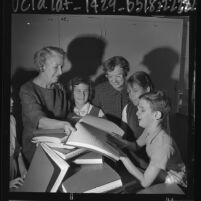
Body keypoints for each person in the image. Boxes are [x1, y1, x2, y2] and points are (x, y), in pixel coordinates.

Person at [19, 46, 75, 166]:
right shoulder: (27, 90)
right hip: (36, 151)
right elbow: (40, 121)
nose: (60, 72)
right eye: (56, 67)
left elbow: (67, 114)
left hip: (59, 145)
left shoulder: (59, 87)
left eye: (61, 67)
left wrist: (83, 119)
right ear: (42, 66)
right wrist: (63, 124)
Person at [119, 91, 187, 188]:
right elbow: (135, 146)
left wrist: (122, 156)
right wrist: (120, 142)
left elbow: (145, 182)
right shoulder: (149, 129)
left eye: (142, 110)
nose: (137, 113)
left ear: (156, 115)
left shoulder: (163, 144)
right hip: (160, 173)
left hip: (176, 183)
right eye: (137, 109)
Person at [93, 56, 130, 126]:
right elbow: (93, 117)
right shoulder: (98, 91)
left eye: (118, 76)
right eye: (110, 76)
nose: (114, 81)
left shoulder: (135, 90)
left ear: (125, 73)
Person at [122, 71, 154, 141]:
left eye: (135, 91)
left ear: (147, 89)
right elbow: (124, 135)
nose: (131, 95)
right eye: (129, 92)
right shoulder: (127, 109)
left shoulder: (156, 109)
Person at [10, 87, 27, 191]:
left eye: (11, 96)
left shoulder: (11, 120)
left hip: (14, 177)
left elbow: (17, 150)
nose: (12, 101)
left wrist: (23, 170)